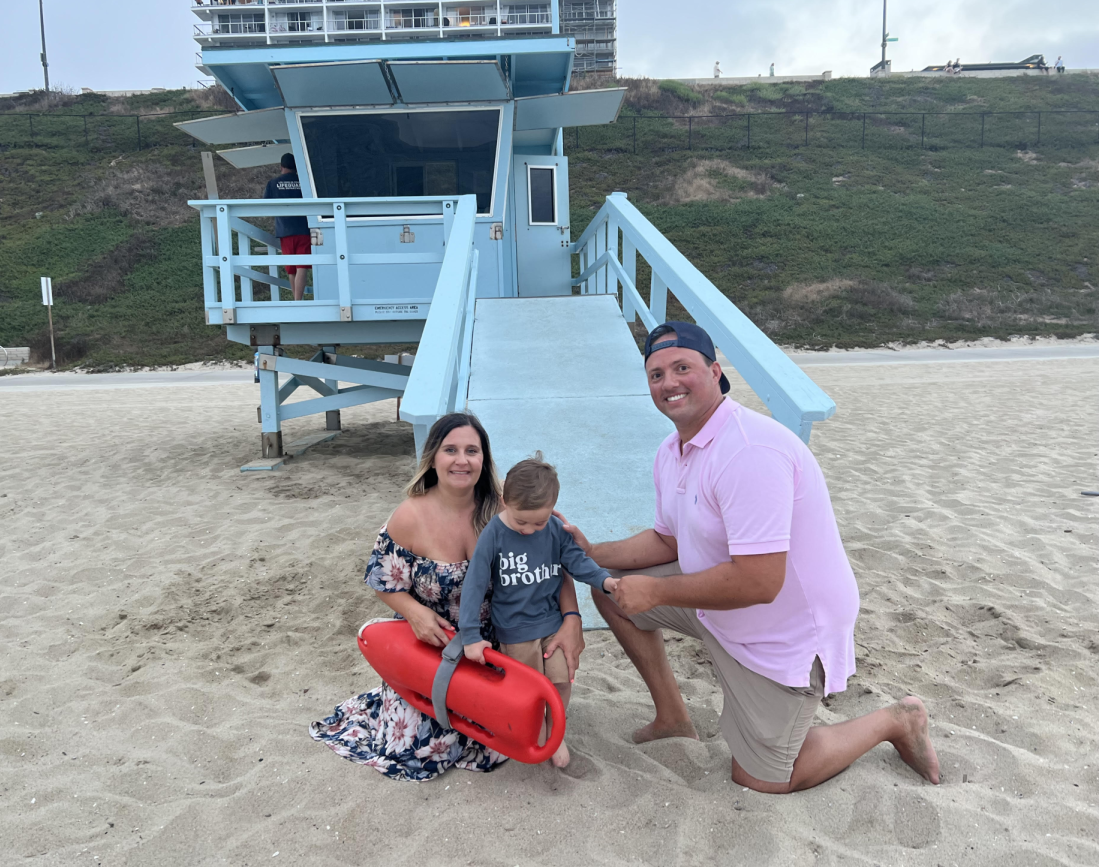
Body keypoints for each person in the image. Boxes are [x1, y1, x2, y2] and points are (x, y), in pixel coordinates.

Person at [560, 321, 941, 794]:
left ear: (716, 372)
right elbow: (668, 540)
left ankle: (896, 719)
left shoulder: (748, 450)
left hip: (784, 627)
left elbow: (761, 582)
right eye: (656, 374)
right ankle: (673, 718)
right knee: (613, 588)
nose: (669, 383)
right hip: (723, 606)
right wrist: (592, 551)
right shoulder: (672, 450)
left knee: (765, 779)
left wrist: (656, 589)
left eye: (683, 367)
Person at [309, 413, 587, 782]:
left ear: (483, 459)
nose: (462, 460)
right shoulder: (410, 516)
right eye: (450, 450)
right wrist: (413, 613)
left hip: (500, 641)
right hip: (433, 645)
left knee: (501, 740)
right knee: (415, 749)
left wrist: (572, 619)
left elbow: (554, 569)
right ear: (433, 457)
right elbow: (381, 580)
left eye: (472, 450)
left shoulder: (512, 510)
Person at [459, 454, 619, 768]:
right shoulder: (494, 533)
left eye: (539, 522)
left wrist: (605, 581)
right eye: (522, 521)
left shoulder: (555, 528)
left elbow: (576, 561)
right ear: (504, 501)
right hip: (515, 628)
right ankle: (539, 728)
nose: (531, 529)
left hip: (552, 623)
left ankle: (555, 732)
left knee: (560, 680)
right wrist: (470, 636)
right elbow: (474, 585)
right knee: (529, 690)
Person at [262, 152, 311, 302]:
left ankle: (296, 301)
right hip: (306, 229)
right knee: (302, 265)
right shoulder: (305, 182)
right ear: (297, 167)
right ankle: (298, 300)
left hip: (285, 230)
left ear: (281, 167)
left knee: (291, 268)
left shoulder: (273, 183)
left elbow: (265, 206)